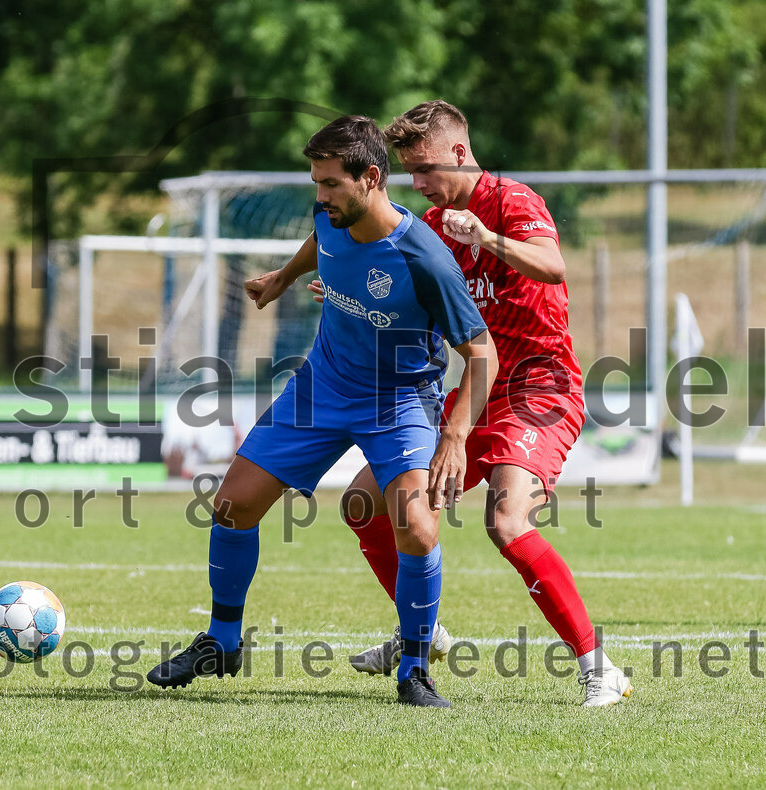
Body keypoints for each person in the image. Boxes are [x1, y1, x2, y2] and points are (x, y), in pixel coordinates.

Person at [147, 115, 497, 707]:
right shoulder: (329, 217)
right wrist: (284, 278)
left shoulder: (425, 258)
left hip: (401, 400)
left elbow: (480, 350)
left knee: (415, 526)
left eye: (332, 183)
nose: (321, 195)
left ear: (372, 178)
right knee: (232, 506)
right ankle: (222, 640)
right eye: (316, 182)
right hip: (324, 385)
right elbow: (322, 241)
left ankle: (414, 669)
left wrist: (456, 435)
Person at [302, 100, 631, 707]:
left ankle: (598, 667)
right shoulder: (428, 224)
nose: (420, 184)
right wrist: (343, 291)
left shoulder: (513, 203)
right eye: (410, 173)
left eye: (426, 168)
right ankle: (421, 633)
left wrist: (486, 237)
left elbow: (554, 267)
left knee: (506, 523)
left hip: (540, 387)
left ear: (460, 152)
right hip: (477, 393)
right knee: (362, 504)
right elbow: (417, 302)